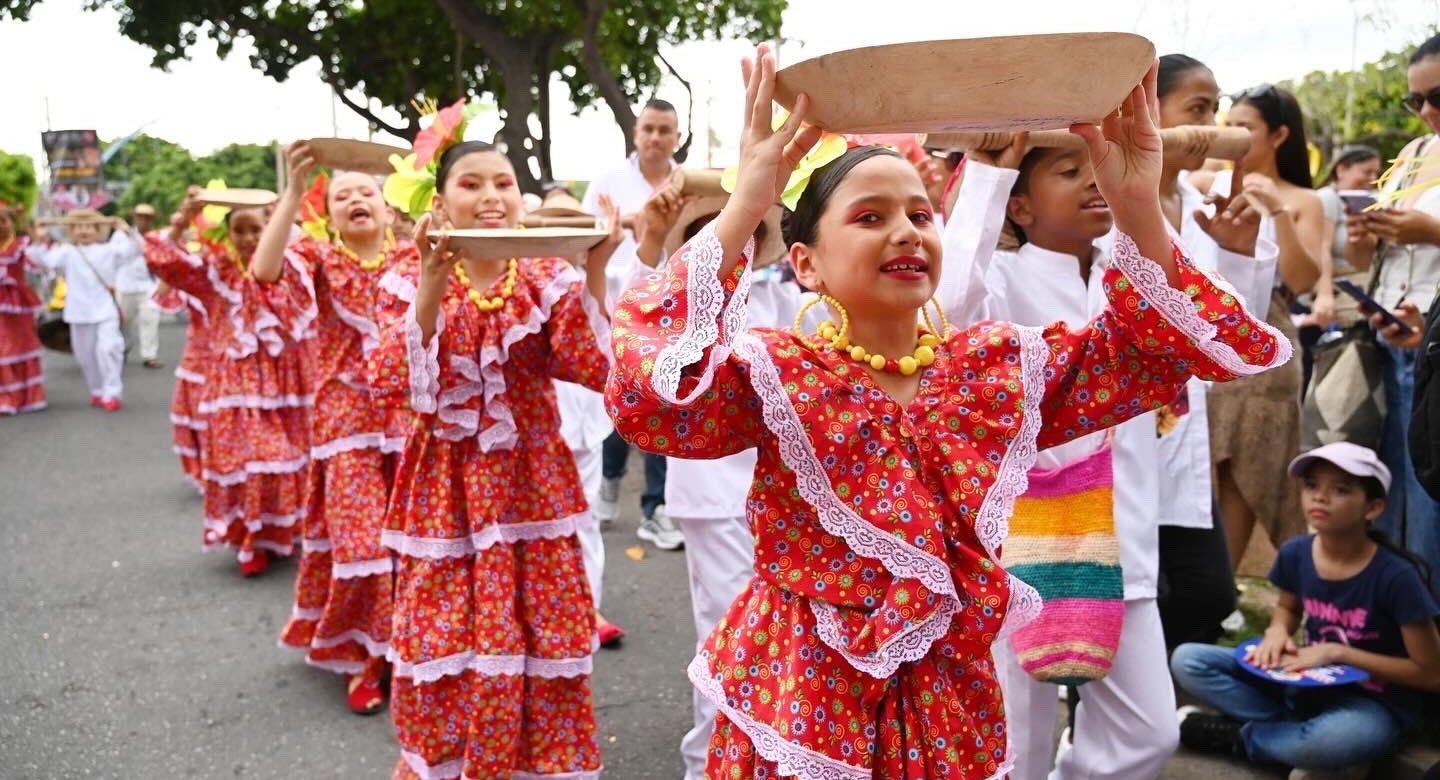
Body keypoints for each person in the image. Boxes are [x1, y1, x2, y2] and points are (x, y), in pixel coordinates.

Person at [607, 47, 1288, 779]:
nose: (906, 231)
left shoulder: (989, 372)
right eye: (870, 216)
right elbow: (650, 397)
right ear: (805, 263)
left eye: (920, 213)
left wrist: (1138, 206)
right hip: (800, 691)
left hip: (945, 699)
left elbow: (1174, 354)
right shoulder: (779, 371)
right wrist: (747, 204)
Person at [369, 105, 623, 778]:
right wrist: (430, 277)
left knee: (541, 637)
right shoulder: (401, 273)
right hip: (443, 489)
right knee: (441, 641)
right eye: (472, 183)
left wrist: (596, 267)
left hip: (531, 487)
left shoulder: (546, 276)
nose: (489, 197)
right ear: (441, 197)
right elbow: (395, 381)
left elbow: (590, 366)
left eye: (504, 183)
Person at [631, 180, 794, 780]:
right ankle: (710, 762)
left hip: (781, 502)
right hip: (714, 495)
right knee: (729, 641)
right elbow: (633, 342)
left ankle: (757, 759)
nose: (734, 243)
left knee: (775, 647)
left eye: (749, 230)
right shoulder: (676, 312)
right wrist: (649, 243)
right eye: (716, 230)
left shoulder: (779, 303)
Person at [254, 146, 414, 715]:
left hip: (411, 424)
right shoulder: (320, 259)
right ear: (331, 215)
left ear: (390, 209)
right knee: (364, 548)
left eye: (365, 192)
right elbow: (264, 271)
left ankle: (410, 654)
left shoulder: (418, 260)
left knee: (412, 548)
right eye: (342, 196)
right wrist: (295, 195)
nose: (354, 201)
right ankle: (368, 658)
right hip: (345, 426)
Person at [1172, 442, 1440, 779]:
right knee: (1188, 660)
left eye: (1340, 490)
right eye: (1312, 486)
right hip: (1304, 685)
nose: (1320, 497)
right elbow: (1287, 607)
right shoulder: (1296, 552)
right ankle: (1311, 747)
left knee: (1336, 738)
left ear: (1373, 508)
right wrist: (1277, 632)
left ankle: (1241, 738)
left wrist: (1338, 652)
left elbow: (1431, 674)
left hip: (1373, 703)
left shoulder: (1396, 577)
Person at [144, 189, 315, 577]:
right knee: (252, 460)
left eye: (258, 228)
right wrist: (181, 220)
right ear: (228, 233)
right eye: (239, 230)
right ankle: (249, 542)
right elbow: (163, 261)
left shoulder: (293, 266)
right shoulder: (214, 270)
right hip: (232, 383)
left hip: (283, 381)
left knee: (286, 462)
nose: (249, 238)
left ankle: (279, 532)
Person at [1189, 83, 1323, 570]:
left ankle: (1223, 589)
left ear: (1280, 134)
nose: (1234, 135)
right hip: (1206, 342)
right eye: (1230, 125)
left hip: (1270, 347)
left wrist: (1277, 213)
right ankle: (1206, 584)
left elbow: (1303, 279)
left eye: (1247, 127)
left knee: (1249, 472)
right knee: (1203, 465)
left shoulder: (1303, 200)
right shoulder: (1204, 185)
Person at [1345, 32, 1440, 585]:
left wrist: (1432, 231)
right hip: (1398, 339)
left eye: (1439, 97)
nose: (1427, 111)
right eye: (1417, 100)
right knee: (1392, 496)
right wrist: (1368, 230)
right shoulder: (1414, 154)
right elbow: (1378, 251)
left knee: (1430, 505)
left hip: (1434, 344)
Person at [582, 97, 684, 550]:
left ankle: (655, 507)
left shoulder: (691, 183)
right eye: (650, 129)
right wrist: (628, 222)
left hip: (672, 313)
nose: (657, 138)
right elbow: (586, 237)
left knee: (662, 403)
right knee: (618, 406)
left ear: (677, 137)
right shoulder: (607, 182)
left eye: (666, 130)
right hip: (613, 310)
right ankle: (609, 479)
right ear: (636, 133)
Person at [26, 209, 141, 411]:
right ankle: (97, 390)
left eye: (88, 226)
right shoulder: (66, 251)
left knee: (109, 349)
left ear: (97, 229)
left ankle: (112, 392)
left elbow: (134, 251)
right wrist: (39, 237)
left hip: (105, 309)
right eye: (79, 226)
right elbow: (43, 260)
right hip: (78, 311)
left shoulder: (108, 250)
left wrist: (127, 230)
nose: (84, 230)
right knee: (85, 354)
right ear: (71, 230)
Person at [0, 200, 46, 415]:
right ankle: (7, 397)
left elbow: (39, 253)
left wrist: (23, 220)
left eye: (3, 220)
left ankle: (26, 396)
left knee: (18, 347)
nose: (0, 225)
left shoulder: (20, 244)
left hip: (18, 306)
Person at [117, 203, 164, 368]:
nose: (144, 220)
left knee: (150, 319)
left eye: (147, 218)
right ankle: (119, 350)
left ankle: (149, 355)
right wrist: (130, 235)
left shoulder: (157, 236)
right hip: (126, 285)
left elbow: (158, 257)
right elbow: (124, 254)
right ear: (134, 218)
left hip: (148, 285)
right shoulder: (120, 236)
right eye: (140, 217)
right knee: (122, 321)